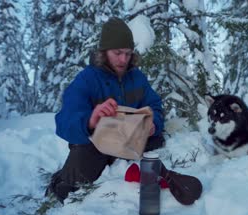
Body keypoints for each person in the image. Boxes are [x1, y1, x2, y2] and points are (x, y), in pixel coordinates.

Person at [46, 17, 165, 203]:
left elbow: (155, 106)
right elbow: (64, 121)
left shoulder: (137, 77)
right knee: (71, 187)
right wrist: (90, 119)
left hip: (129, 140)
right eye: (117, 53)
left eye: (127, 53)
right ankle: (59, 181)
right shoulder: (87, 79)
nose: (123, 59)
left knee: (158, 140)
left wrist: (153, 124)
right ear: (104, 51)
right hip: (96, 145)